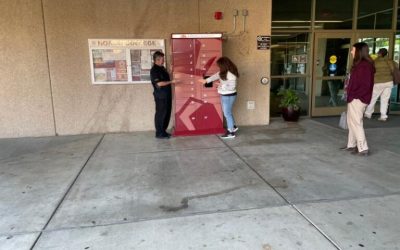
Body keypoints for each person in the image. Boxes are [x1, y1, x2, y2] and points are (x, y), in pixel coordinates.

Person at [341, 42, 375, 156]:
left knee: (356, 122)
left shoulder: (364, 66)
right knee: (351, 122)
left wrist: (355, 95)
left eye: (353, 50)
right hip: (354, 98)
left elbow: (365, 85)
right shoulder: (360, 64)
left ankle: (363, 148)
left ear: (359, 52)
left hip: (358, 98)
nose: (351, 51)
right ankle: (351, 144)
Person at [199, 57, 239, 139]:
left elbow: (231, 87)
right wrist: (206, 80)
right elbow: (215, 76)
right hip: (225, 95)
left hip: (228, 96)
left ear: (224, 65)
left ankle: (231, 132)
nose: (219, 67)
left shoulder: (231, 75)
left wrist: (220, 85)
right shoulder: (223, 72)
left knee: (227, 113)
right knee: (228, 112)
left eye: (219, 65)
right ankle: (233, 127)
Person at [364, 48, 397, 121]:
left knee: (373, 98)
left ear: (380, 53)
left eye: (378, 52)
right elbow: (394, 68)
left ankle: (368, 113)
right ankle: (383, 116)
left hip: (378, 82)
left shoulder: (375, 61)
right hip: (388, 82)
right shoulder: (390, 61)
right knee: (385, 99)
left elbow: (371, 70)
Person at [150, 51, 175, 139]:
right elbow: (159, 83)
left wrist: (171, 72)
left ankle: (163, 131)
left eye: (163, 59)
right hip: (160, 96)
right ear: (157, 60)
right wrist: (171, 82)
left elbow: (166, 78)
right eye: (162, 59)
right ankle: (159, 133)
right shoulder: (154, 70)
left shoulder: (162, 68)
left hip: (166, 95)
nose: (163, 61)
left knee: (166, 113)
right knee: (160, 114)